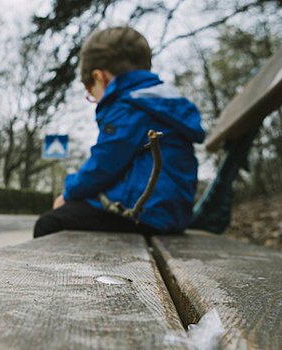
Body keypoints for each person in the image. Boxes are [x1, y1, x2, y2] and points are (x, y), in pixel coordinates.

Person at [34, 26, 205, 238]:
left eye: (91, 92)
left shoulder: (129, 106)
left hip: (142, 214)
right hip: (169, 215)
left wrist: (67, 193)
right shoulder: (160, 102)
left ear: (99, 77)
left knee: (50, 223)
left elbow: (103, 166)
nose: (94, 99)